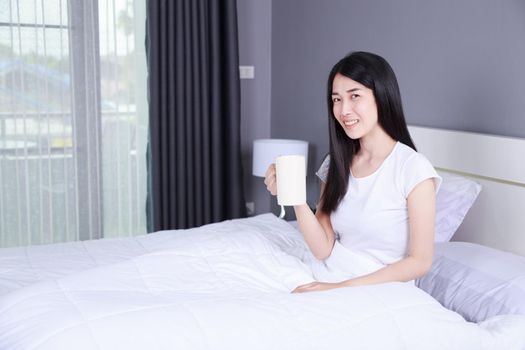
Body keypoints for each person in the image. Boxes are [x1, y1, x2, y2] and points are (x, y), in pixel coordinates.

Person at [264, 51, 441, 293]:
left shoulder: (413, 169)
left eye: (354, 96)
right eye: (336, 99)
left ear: (382, 97)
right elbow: (322, 248)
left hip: (379, 289)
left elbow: (420, 263)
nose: (343, 110)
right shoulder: (335, 163)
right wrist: (294, 196)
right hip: (329, 272)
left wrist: (339, 287)